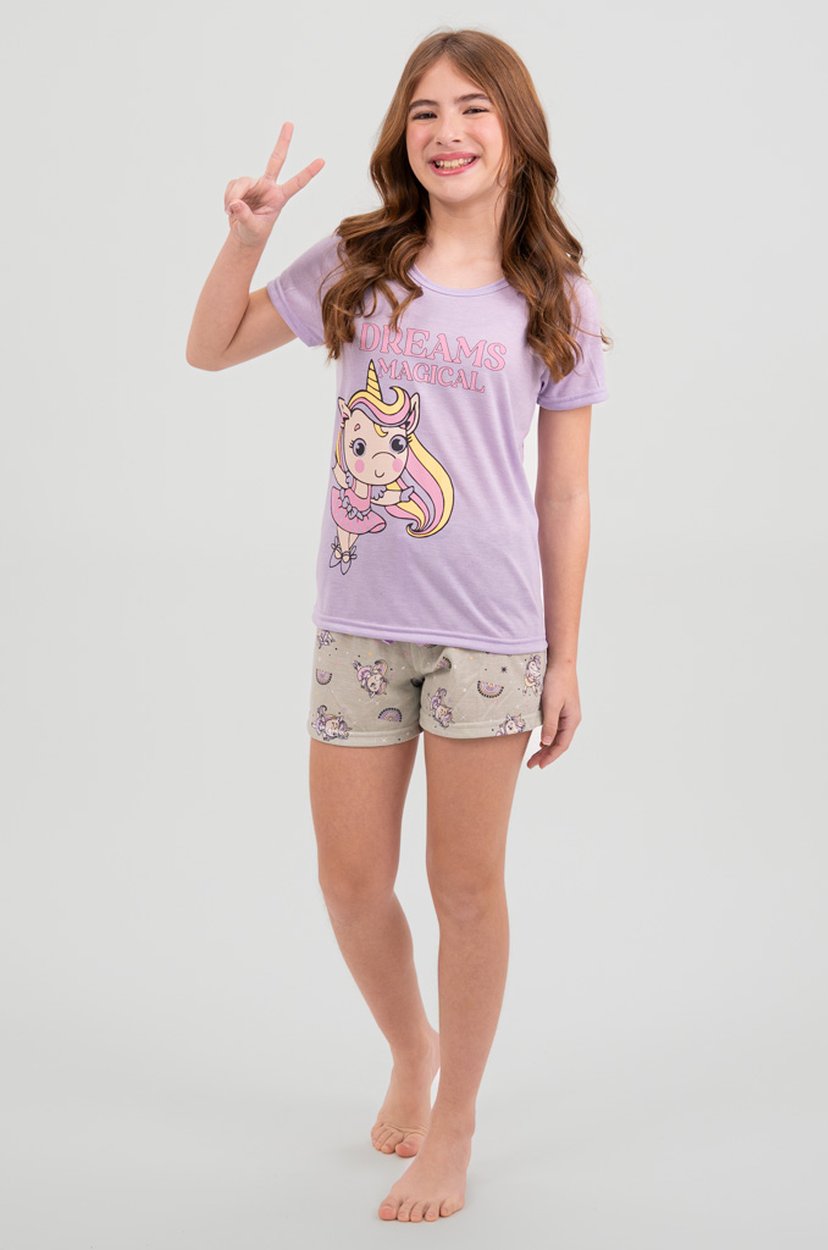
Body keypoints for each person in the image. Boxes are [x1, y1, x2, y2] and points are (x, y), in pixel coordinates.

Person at [186, 26, 610, 1224]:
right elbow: (209, 349)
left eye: (472, 109)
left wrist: (566, 655)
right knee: (349, 879)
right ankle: (410, 1045)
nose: (446, 131)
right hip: (360, 626)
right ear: (402, 135)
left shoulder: (554, 297)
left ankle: (456, 1118)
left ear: (515, 133)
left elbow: (564, 494)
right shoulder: (359, 261)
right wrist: (247, 239)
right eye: (424, 111)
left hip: (489, 635)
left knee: (464, 888)